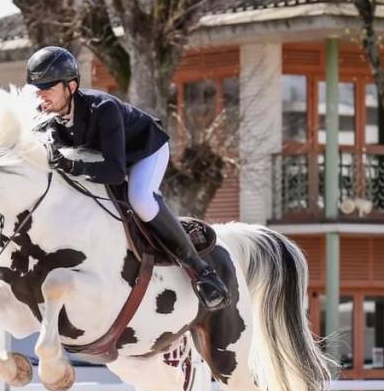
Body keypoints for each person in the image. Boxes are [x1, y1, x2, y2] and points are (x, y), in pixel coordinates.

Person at [25, 45, 231, 310]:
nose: (42, 98)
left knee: (140, 198)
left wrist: (72, 166)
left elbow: (114, 172)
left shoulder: (103, 108)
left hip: (145, 151)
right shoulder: (47, 119)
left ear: (71, 87)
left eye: (49, 90)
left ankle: (202, 271)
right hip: (106, 158)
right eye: (38, 91)